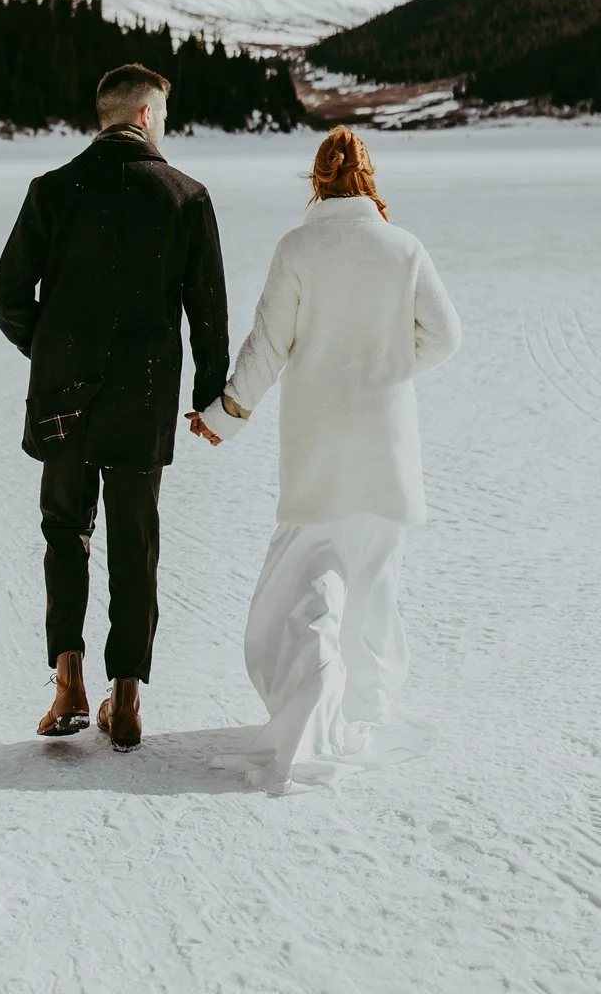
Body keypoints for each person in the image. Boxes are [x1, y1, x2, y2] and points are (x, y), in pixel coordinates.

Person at [193, 126, 460, 793]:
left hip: (317, 443)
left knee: (311, 580)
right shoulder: (402, 249)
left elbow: (267, 346)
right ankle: (363, 708)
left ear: (317, 180)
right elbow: (445, 336)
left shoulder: (298, 248)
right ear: (368, 179)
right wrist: (392, 371)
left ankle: (312, 712)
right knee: (372, 581)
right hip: (385, 441)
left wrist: (224, 416)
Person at [0, 62, 229, 751]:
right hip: (144, 396)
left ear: (107, 116)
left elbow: (8, 293)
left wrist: (51, 352)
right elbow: (207, 315)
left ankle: (68, 679)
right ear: (149, 116)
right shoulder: (185, 196)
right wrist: (208, 401)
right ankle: (125, 700)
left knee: (65, 531)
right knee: (134, 543)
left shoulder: (53, 190)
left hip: (64, 394)